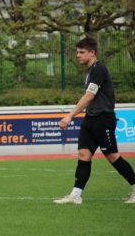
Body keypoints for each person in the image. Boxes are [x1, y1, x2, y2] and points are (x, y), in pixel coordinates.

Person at [54, 36, 135, 204]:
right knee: (83, 154)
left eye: (82, 52)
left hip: (103, 119)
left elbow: (89, 96)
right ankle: (75, 195)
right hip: (90, 118)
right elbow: (88, 97)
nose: (78, 55)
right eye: (77, 52)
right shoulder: (90, 71)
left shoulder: (99, 69)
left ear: (93, 53)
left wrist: (70, 115)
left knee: (112, 156)